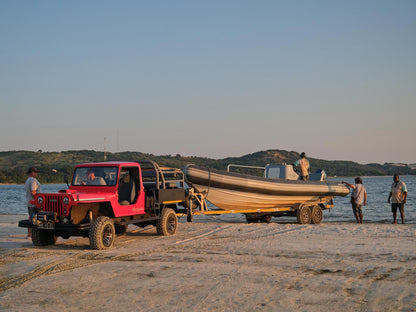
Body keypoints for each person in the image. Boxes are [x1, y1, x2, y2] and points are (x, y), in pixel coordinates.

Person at [25, 167, 42, 237]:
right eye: (36, 172)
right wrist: (39, 200)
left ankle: (29, 233)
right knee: (35, 218)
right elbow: (33, 191)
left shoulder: (28, 180)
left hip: (29, 202)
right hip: (34, 203)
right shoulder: (33, 180)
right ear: (32, 172)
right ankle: (34, 233)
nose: (37, 174)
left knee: (31, 217)